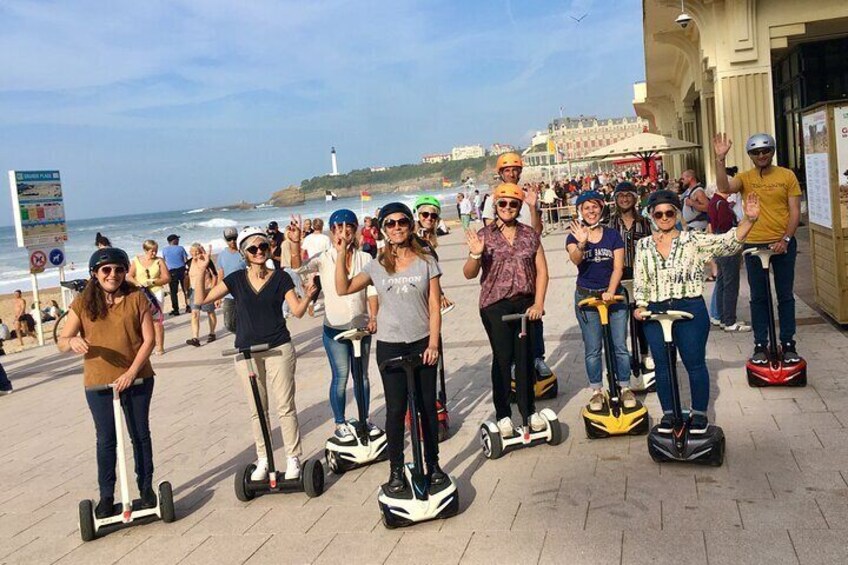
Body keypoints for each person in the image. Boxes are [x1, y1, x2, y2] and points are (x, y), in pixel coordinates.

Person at [334, 202, 447, 492]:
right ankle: (396, 470)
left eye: (402, 222)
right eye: (391, 223)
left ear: (410, 226)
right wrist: (340, 252)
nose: (397, 227)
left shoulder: (426, 261)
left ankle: (433, 464)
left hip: (423, 342)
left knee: (426, 407)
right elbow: (343, 288)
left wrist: (433, 343)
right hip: (390, 344)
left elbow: (434, 305)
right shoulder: (376, 264)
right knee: (395, 410)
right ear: (383, 229)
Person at [189, 226, 315, 481]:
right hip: (246, 351)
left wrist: (310, 295)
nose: (259, 252)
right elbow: (201, 300)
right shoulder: (235, 280)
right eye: (253, 249)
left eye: (263, 247)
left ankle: (293, 458)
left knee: (285, 406)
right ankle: (264, 459)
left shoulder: (281, 278)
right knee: (258, 409)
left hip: (279, 347)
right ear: (245, 253)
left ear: (269, 249)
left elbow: (297, 311)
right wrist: (202, 271)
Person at [633, 190, 760, 432]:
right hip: (656, 311)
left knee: (694, 362)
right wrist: (640, 305)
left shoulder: (693, 240)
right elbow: (642, 280)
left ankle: (699, 413)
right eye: (658, 213)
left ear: (676, 213)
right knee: (662, 364)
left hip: (689, 307)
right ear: (651, 216)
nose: (664, 217)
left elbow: (728, 243)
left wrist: (750, 220)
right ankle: (669, 414)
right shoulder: (644, 246)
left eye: (669, 212)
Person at [57, 247, 157, 519]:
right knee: (106, 440)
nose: (113, 274)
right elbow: (62, 341)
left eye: (119, 269)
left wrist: (131, 373)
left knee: (140, 435)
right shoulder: (83, 303)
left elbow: (149, 340)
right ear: (95, 274)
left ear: (125, 272)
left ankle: (146, 489)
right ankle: (106, 496)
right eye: (106, 270)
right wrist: (72, 341)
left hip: (137, 379)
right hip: (98, 382)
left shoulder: (137, 297)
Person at [463, 183, 549, 437]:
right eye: (503, 203)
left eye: (513, 204)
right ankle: (502, 414)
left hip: (525, 302)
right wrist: (475, 255)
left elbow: (542, 271)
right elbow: (468, 274)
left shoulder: (529, 235)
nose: (508, 208)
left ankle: (529, 411)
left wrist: (539, 303)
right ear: (496, 206)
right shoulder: (484, 235)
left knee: (525, 357)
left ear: (519, 206)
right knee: (503, 358)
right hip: (494, 303)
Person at [714, 132, 802, 365]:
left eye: (765, 151)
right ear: (750, 155)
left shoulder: (787, 175)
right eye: (756, 152)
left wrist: (786, 239)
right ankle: (760, 344)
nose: (761, 155)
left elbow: (795, 211)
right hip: (754, 244)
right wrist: (720, 159)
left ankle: (788, 342)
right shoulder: (745, 177)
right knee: (759, 297)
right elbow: (724, 186)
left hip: (782, 243)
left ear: (772, 151)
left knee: (785, 295)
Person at [301, 209, 379, 439]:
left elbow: (372, 291)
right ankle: (340, 422)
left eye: (349, 227)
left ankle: (365, 419)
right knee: (341, 376)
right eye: (339, 228)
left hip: (361, 326)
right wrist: (295, 244)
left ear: (355, 230)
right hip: (335, 328)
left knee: (362, 376)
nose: (344, 232)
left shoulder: (365, 258)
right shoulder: (324, 258)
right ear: (332, 231)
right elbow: (299, 267)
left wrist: (373, 317)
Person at [481, 152, 550, 378]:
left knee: (534, 315)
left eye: (515, 169)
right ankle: (510, 365)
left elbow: (536, 231)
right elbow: (491, 234)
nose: (512, 173)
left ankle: (537, 358)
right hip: (501, 276)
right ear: (500, 173)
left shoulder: (527, 194)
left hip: (526, 256)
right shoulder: (493, 198)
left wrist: (531, 207)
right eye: (508, 170)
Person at [567, 191, 634, 410]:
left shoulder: (612, 234)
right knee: (593, 348)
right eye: (586, 208)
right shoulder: (574, 235)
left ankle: (624, 387)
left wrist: (611, 291)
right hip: (586, 296)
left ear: (601, 208)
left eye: (594, 207)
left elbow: (618, 267)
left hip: (613, 296)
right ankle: (596, 390)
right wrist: (582, 244)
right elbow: (576, 259)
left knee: (620, 346)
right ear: (580, 211)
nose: (591, 211)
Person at [606, 181, 653, 366]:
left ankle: (643, 354)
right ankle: (622, 358)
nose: (625, 199)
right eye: (621, 196)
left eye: (628, 195)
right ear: (616, 199)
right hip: (616, 277)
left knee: (640, 317)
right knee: (619, 320)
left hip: (640, 275)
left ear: (635, 198)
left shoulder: (645, 223)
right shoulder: (609, 224)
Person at [708, 187, 750, 332]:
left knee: (721, 281)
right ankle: (729, 320)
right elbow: (727, 226)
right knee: (730, 284)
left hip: (718, 244)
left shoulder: (714, 202)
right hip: (727, 245)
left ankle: (720, 317)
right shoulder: (722, 204)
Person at [128, 240, 171, 355]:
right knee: (142, 320)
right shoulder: (136, 261)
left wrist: (153, 282)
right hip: (141, 292)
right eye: (152, 251)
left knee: (157, 320)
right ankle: (144, 346)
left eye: (156, 251)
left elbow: (167, 278)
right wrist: (137, 283)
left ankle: (160, 346)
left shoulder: (159, 261)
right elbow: (129, 276)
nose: (154, 253)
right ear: (146, 250)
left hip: (156, 292)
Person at [184, 243, 219, 346]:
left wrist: (213, 289)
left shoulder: (206, 261)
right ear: (190, 253)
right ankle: (195, 338)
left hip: (206, 290)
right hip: (194, 291)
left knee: (210, 312)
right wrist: (186, 291)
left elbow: (215, 276)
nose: (195, 254)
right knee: (195, 314)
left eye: (197, 251)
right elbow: (186, 278)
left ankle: (212, 333)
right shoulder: (189, 263)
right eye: (193, 252)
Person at [216, 227, 246, 334]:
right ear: (225, 240)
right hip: (228, 294)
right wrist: (218, 296)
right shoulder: (221, 255)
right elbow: (220, 275)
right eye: (229, 239)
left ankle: (247, 342)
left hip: (244, 293)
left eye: (234, 238)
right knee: (229, 324)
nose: (232, 241)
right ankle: (243, 336)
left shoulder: (244, 252)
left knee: (247, 320)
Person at [162, 234, 190, 316]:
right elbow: (185, 260)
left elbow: (164, 261)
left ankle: (176, 310)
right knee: (186, 290)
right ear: (174, 240)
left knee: (173, 292)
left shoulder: (164, 250)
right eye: (177, 239)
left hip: (172, 272)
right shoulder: (180, 248)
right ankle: (188, 307)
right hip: (182, 270)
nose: (178, 240)